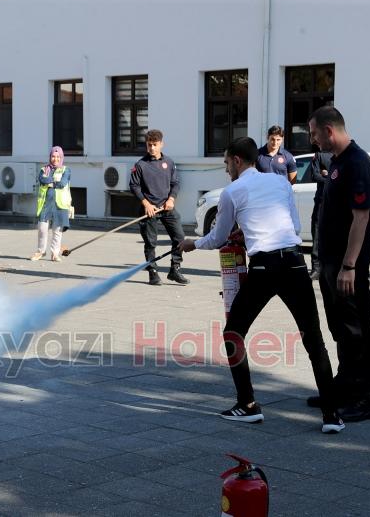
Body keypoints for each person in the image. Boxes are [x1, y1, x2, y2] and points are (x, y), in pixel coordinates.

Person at [178, 137, 344, 434]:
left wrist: (192, 243)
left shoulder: (232, 191)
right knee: (313, 339)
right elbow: (292, 226)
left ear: (238, 161)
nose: (227, 169)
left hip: (264, 268)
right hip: (294, 263)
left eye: (227, 163)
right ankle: (332, 415)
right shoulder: (280, 183)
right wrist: (249, 235)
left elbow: (217, 238)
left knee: (233, 333)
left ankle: (248, 405)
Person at [307, 106, 370, 422]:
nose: (312, 140)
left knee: (356, 328)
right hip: (332, 262)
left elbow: (361, 217)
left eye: (313, 133)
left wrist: (349, 265)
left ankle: (365, 398)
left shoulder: (358, 163)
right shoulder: (338, 162)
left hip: (347, 266)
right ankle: (344, 384)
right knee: (340, 327)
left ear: (329, 130)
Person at [129, 129, 188, 286]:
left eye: (155, 145)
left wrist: (171, 199)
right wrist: (146, 203)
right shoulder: (140, 165)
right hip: (150, 210)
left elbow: (175, 183)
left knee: (180, 238)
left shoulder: (168, 163)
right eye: (149, 145)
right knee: (151, 243)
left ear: (161, 144)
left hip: (166, 207)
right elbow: (134, 186)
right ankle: (153, 272)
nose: (152, 148)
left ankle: (175, 269)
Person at [30, 146, 71, 262]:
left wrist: (50, 182)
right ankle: (40, 251)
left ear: (61, 157)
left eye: (58, 157)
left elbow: (63, 183)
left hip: (60, 205)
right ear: (50, 157)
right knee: (42, 229)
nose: (55, 159)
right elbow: (42, 180)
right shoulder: (44, 169)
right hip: (46, 204)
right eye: (53, 156)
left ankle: (55, 253)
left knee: (57, 231)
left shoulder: (66, 170)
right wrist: (53, 181)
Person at [309, 150, 332, 280]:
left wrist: (327, 174)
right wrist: (330, 176)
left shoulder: (340, 153)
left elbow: (343, 176)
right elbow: (314, 176)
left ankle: (329, 267)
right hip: (321, 200)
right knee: (317, 235)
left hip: (336, 201)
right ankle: (316, 268)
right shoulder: (319, 155)